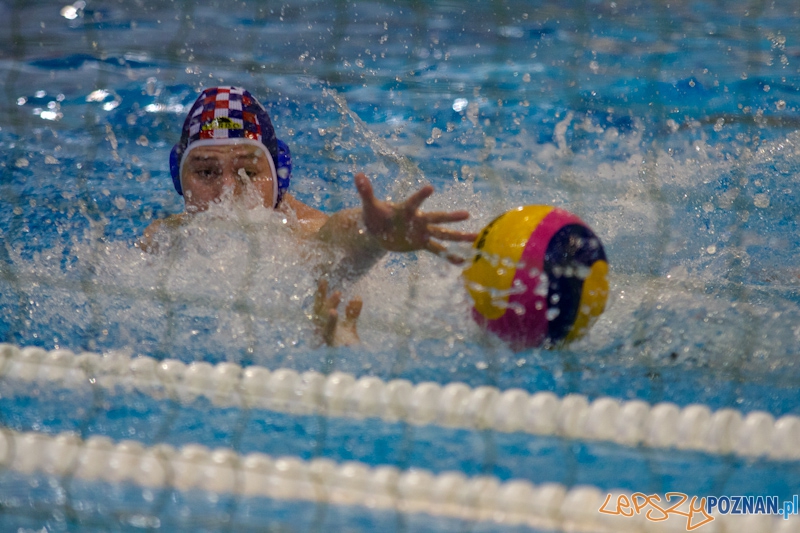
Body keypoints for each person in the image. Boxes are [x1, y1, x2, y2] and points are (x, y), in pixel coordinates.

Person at [139, 86, 477, 345]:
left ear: (279, 175)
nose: (228, 190)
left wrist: (372, 233)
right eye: (206, 173)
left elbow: (333, 238)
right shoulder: (165, 236)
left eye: (247, 173)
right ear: (179, 177)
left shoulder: (298, 232)